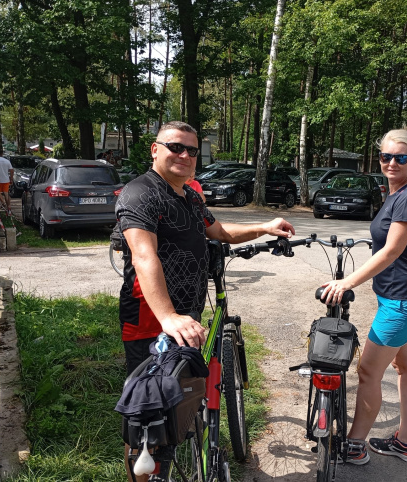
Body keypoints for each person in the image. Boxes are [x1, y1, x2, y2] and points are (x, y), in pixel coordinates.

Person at [114, 121, 295, 482]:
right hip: (153, 320)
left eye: (191, 150)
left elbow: (219, 231)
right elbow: (144, 256)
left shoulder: (190, 196)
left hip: (188, 316)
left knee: (183, 397)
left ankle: (194, 450)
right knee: (149, 415)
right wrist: (168, 316)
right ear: (155, 149)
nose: (184, 155)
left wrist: (265, 227)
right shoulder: (140, 194)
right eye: (175, 147)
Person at [320, 128, 407, 466]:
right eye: (386, 156)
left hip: (402, 302)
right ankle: (406, 443)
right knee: (406, 367)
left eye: (401, 157)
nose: (392, 163)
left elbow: (391, 251)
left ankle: (355, 445)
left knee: (369, 372)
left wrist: (346, 283)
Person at [0, 148, 13, 215]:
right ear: (2, 154)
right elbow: (11, 170)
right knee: (6, 193)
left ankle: (3, 204)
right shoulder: (6, 161)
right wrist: (11, 178)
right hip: (6, 180)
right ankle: (9, 207)